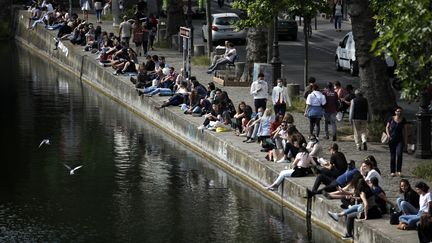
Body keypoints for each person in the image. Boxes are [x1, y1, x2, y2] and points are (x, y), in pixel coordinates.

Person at [386, 106, 408, 177]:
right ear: (395, 112)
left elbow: (405, 130)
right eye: (397, 111)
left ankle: (399, 171)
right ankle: (392, 171)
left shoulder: (403, 119)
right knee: (393, 156)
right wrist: (388, 135)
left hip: (400, 139)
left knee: (399, 154)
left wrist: (405, 141)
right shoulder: (391, 118)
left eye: (400, 111)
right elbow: (387, 127)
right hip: (392, 139)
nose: (399, 112)